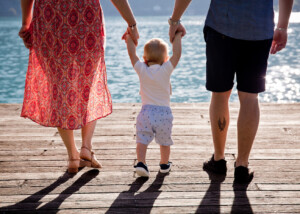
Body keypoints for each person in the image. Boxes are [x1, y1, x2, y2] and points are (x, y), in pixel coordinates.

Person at [169, 0, 293, 183]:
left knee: (220, 94)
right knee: (250, 96)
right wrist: (282, 27)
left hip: (221, 27)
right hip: (259, 29)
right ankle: (242, 165)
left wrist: (175, 20)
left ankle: (219, 160)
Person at [19, 0, 139, 174]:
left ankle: (72, 156)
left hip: (49, 18)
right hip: (86, 17)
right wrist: (132, 23)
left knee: (57, 88)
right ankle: (86, 147)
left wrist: (25, 22)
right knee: (88, 84)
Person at [124, 32, 182, 177]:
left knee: (142, 140)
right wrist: (178, 37)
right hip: (164, 114)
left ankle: (141, 163)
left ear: (144, 58)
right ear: (166, 58)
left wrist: (129, 40)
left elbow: (132, 55)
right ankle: (164, 164)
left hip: (146, 113)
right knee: (164, 141)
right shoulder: (166, 69)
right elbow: (177, 54)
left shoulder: (142, 69)